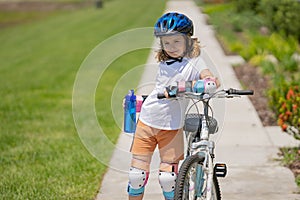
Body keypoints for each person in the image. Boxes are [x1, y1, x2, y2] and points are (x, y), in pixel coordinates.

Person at [127, 12, 220, 200]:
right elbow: (160, 91)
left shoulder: (194, 62)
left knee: (168, 178)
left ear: (188, 40)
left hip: (171, 128)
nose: (171, 47)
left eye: (177, 41)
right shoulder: (164, 62)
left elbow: (210, 80)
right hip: (147, 122)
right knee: (136, 176)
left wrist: (193, 85)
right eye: (166, 43)